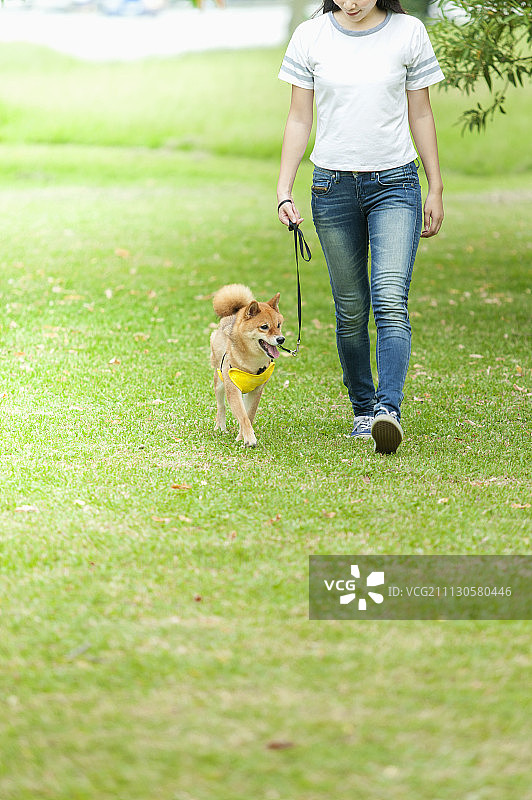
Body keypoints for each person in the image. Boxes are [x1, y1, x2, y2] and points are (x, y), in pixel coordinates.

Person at [277, 0, 444, 454]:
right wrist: (284, 189)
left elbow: (421, 113)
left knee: (390, 299)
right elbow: (299, 118)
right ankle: (363, 410)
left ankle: (388, 410)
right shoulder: (310, 36)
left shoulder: (408, 32)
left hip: (395, 184)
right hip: (331, 188)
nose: (350, 3)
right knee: (351, 310)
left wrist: (435, 186)